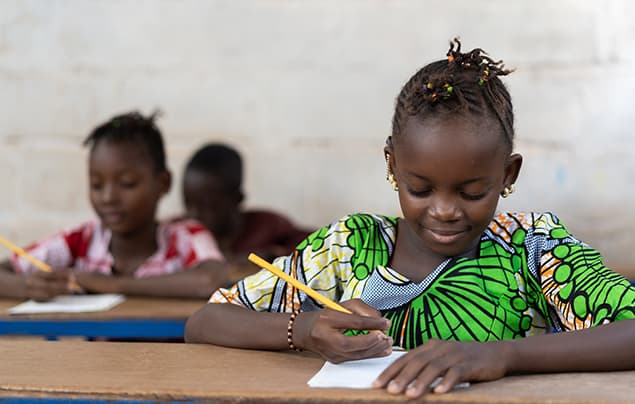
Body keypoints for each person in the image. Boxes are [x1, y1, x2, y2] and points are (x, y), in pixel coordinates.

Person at [185, 40, 635, 398]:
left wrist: (503, 355)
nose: (443, 210)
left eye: (472, 192)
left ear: (507, 175)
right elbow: (204, 322)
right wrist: (303, 328)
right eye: (419, 189)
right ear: (392, 166)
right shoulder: (348, 246)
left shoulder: (533, 247)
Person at [0, 112, 228, 300]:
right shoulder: (80, 240)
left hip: (167, 356)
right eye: (96, 185)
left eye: (127, 184)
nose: (108, 197)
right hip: (98, 357)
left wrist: (112, 285)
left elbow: (212, 280)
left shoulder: (185, 236)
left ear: (163, 183)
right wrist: (28, 287)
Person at [182, 143, 312, 280]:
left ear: (237, 199)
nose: (194, 214)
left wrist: (275, 256)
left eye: (207, 206)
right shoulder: (179, 232)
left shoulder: (266, 226)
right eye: (187, 203)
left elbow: (317, 247)